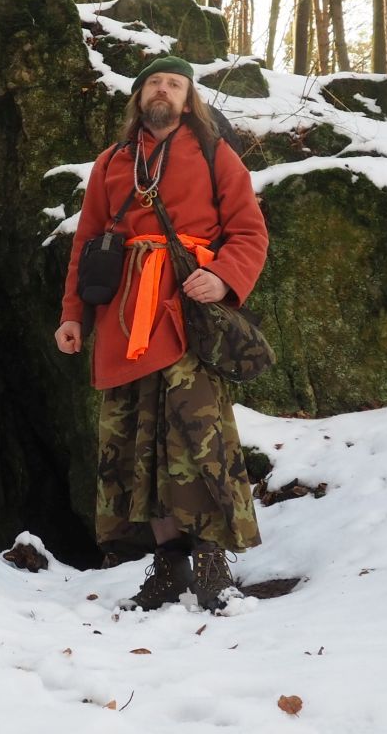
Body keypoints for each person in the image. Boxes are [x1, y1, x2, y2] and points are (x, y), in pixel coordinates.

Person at [55, 55, 269, 613]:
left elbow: (249, 230)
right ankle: (168, 563)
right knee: (136, 443)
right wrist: (72, 315)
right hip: (123, 321)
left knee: (196, 436)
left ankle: (212, 563)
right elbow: (86, 245)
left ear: (189, 98)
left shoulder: (216, 154)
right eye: (155, 82)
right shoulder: (110, 164)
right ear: (139, 96)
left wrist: (222, 277)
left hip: (182, 313)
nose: (164, 91)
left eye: (175, 84)